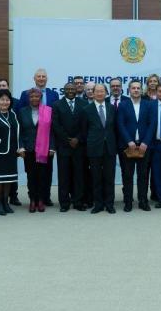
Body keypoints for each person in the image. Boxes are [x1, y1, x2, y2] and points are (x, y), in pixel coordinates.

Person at [117, 80, 155, 212]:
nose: (136, 90)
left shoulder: (148, 105)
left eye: (138, 88)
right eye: (133, 88)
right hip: (128, 146)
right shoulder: (123, 105)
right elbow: (120, 125)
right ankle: (128, 202)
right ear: (129, 90)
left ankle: (143, 201)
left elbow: (152, 124)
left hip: (144, 146)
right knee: (127, 175)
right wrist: (129, 141)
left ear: (141, 90)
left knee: (143, 175)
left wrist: (146, 142)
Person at [80, 84, 118, 214]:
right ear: (93, 93)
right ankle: (98, 204)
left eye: (102, 91)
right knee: (96, 178)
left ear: (106, 93)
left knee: (109, 177)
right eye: (97, 91)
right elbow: (84, 132)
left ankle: (109, 204)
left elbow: (115, 129)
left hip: (110, 148)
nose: (100, 93)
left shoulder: (112, 108)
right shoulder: (86, 109)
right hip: (94, 148)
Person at [52, 82, 88, 211]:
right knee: (64, 176)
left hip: (79, 146)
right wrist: (68, 140)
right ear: (64, 90)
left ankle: (78, 202)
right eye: (68, 89)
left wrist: (77, 138)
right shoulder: (57, 105)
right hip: (64, 146)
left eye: (73, 89)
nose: (71, 91)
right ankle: (64, 203)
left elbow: (85, 125)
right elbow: (56, 125)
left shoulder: (83, 104)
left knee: (79, 176)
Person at [19, 88, 56, 213]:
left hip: (44, 148)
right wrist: (21, 146)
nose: (34, 98)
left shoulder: (48, 111)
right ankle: (32, 200)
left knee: (42, 176)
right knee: (31, 176)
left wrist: (52, 147)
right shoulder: (22, 111)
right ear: (28, 98)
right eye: (32, 96)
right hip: (28, 149)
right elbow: (20, 132)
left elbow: (52, 131)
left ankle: (41, 200)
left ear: (40, 98)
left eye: (37, 96)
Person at [0, 78, 22, 206]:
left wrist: (19, 146)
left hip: (12, 148)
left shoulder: (16, 104)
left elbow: (19, 126)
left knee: (11, 175)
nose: (2, 87)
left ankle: (12, 197)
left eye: (4, 85)